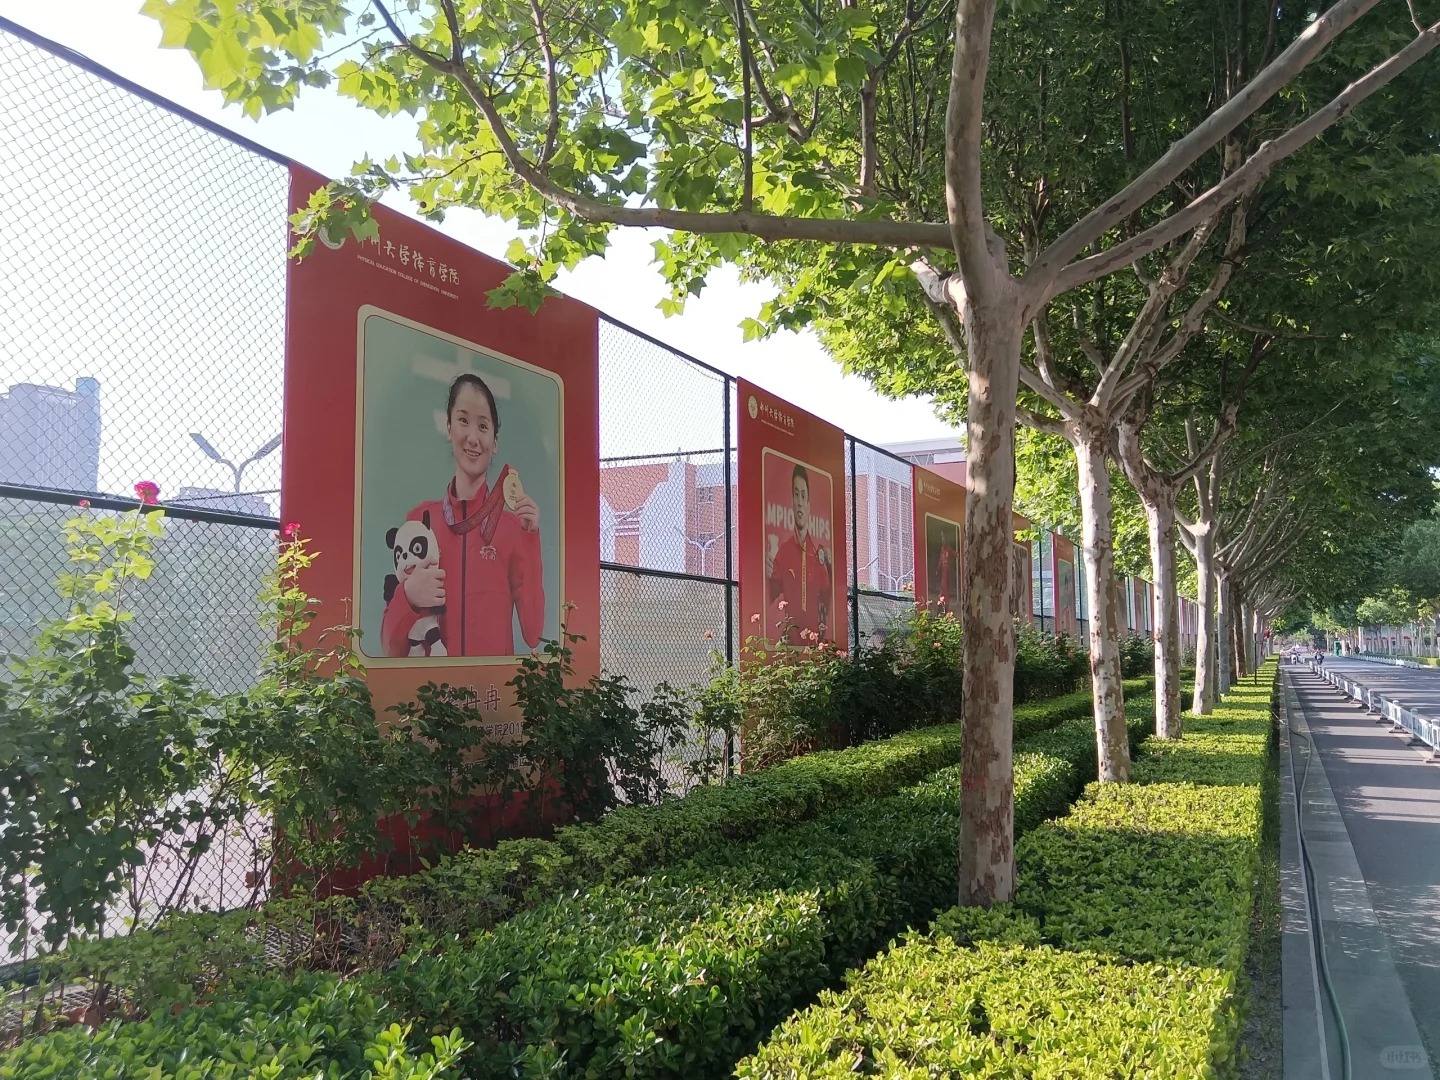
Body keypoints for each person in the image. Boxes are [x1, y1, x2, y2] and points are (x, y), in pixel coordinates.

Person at [381, 373, 545, 657]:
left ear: (494, 441)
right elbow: (391, 648)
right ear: (449, 427)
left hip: (491, 685)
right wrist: (407, 597)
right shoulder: (419, 523)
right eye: (463, 420)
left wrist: (529, 539)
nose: (473, 437)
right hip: (434, 687)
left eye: (483, 426)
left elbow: (533, 633)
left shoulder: (510, 528)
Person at [766, 463, 833, 644]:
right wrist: (765, 576)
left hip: (815, 648)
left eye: (803, 495)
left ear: (809, 505)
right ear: (792, 501)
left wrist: (830, 568)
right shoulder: (783, 553)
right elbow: (768, 598)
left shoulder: (818, 555)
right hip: (791, 646)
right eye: (796, 495)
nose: (800, 501)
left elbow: (828, 597)